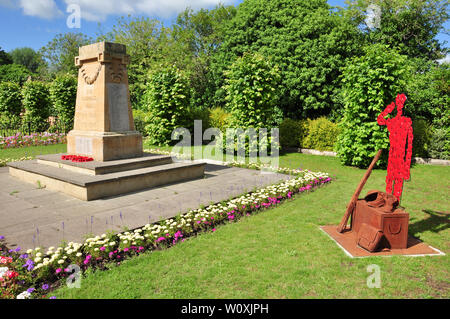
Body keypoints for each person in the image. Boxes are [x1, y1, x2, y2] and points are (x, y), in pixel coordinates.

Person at [377, 93, 413, 202]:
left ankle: (395, 203)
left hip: (400, 156)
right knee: (390, 179)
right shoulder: (392, 121)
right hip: (392, 155)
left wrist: (407, 167)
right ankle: (388, 202)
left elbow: (409, 146)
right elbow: (380, 119)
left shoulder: (406, 122)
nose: (399, 106)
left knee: (398, 181)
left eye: (401, 103)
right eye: (398, 103)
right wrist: (389, 108)